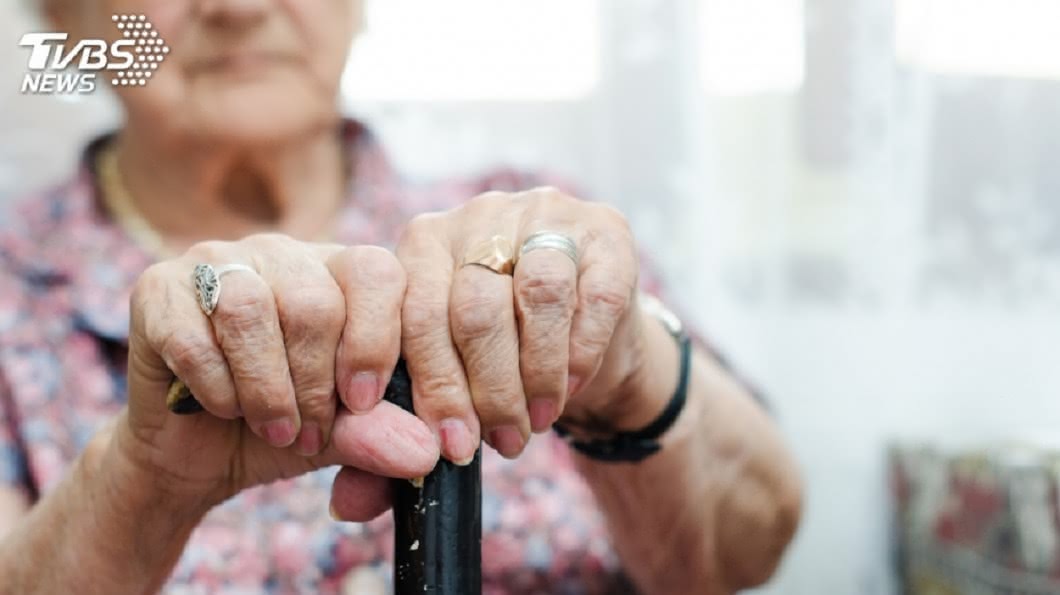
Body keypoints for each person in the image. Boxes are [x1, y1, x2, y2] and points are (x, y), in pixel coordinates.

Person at [0, 1, 802, 593]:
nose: (238, 9)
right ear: (56, 16)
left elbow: (744, 549)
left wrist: (629, 372)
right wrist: (143, 482)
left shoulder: (535, 232)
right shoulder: (14, 292)